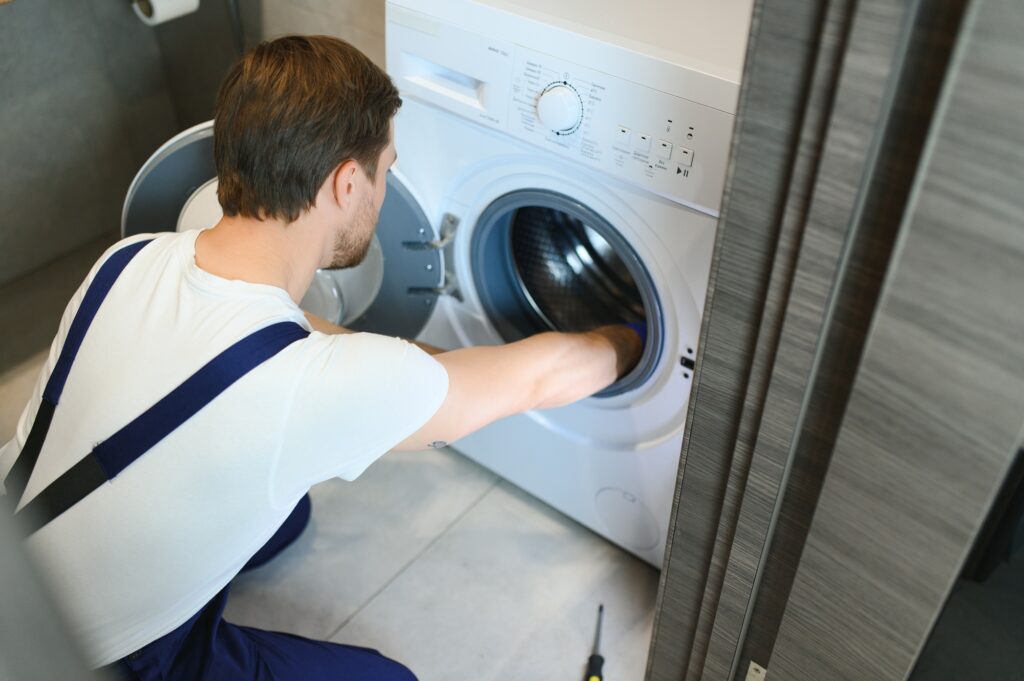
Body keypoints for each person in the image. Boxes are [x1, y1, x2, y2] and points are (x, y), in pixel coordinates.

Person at [0, 35, 642, 680]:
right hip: (79, 660)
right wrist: (637, 337)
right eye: (386, 170)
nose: (385, 189)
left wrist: (425, 376)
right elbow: (546, 375)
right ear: (345, 182)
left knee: (287, 514)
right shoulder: (307, 388)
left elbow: (295, 335)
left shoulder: (131, 258)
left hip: (17, 556)